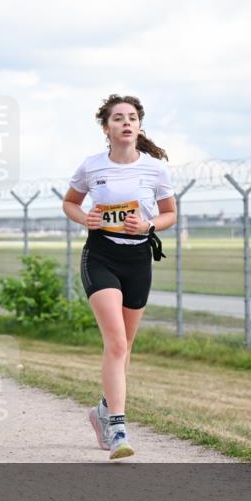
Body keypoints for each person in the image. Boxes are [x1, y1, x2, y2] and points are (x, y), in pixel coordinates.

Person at [61, 93, 176, 460]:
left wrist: (148, 224)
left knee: (125, 348)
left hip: (138, 258)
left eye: (132, 118)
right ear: (106, 127)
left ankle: (100, 411)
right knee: (115, 343)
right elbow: (70, 203)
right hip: (101, 256)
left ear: (139, 125)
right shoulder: (92, 167)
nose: (126, 123)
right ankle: (118, 427)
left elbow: (170, 214)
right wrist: (86, 218)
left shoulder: (155, 169)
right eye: (118, 118)